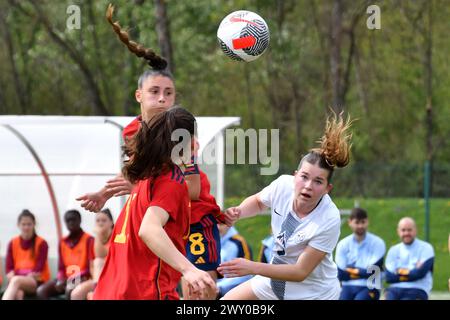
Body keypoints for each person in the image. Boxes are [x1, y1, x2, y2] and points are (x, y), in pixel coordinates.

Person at [218, 111, 353, 300]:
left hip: (313, 293)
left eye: (318, 181)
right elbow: (258, 202)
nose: (308, 186)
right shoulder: (283, 185)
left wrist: (251, 267)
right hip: (274, 280)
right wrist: (239, 212)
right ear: (295, 175)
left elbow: (300, 272)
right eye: (304, 177)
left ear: (327, 189)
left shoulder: (329, 218)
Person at [93, 107, 216, 300]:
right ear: (188, 142)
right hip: (146, 291)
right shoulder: (171, 180)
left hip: (111, 290)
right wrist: (190, 269)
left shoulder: (145, 176)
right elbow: (149, 229)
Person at [36, 210, 94, 300]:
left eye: (73, 220)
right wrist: (60, 279)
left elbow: (89, 267)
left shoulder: (89, 240)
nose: (71, 223)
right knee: (41, 291)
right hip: (66, 278)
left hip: (83, 278)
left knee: (69, 289)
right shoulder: (62, 242)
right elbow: (61, 267)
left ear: (80, 221)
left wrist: (70, 279)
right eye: (68, 221)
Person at [335, 208, 385, 300]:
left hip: (370, 286)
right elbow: (341, 273)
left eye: (363, 222)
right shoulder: (342, 244)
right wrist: (363, 271)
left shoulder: (378, 243)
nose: (360, 226)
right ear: (350, 222)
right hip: (347, 287)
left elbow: (374, 271)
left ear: (367, 222)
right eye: (357, 222)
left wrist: (350, 269)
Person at [2, 210, 50, 300]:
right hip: (16, 281)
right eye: (23, 224)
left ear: (34, 224)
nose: (26, 227)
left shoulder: (42, 243)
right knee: (19, 293)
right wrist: (13, 275)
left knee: (16, 281)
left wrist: (18, 276)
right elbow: (9, 268)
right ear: (18, 225)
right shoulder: (12, 243)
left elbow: (38, 270)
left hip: (36, 281)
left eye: (29, 224)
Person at [384, 217, 434, 300]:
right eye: (403, 230)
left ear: (415, 230)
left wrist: (398, 271)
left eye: (409, 230)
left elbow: (419, 273)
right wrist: (411, 272)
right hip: (394, 290)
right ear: (398, 231)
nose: (406, 233)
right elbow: (389, 277)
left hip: (418, 289)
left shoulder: (426, 248)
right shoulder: (393, 250)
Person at [70, 208, 114, 300]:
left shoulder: (116, 238)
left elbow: (100, 255)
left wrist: (98, 234)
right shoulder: (92, 242)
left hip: (113, 278)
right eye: (98, 221)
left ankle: (96, 292)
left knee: (98, 261)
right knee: (76, 293)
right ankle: (96, 290)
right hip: (97, 280)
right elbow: (91, 267)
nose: (100, 223)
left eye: (104, 220)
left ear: (111, 222)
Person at [216, 224, 253, 299]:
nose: (218, 227)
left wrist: (219, 287)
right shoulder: (209, 242)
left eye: (221, 224)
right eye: (215, 223)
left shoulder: (239, 243)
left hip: (234, 294)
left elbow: (247, 275)